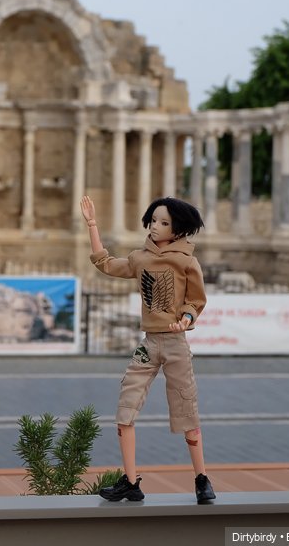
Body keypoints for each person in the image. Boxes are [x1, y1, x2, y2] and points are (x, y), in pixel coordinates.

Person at [80, 194, 215, 505]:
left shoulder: (187, 261)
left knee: (186, 409)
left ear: (178, 229)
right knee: (125, 409)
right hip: (149, 343)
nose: (155, 227)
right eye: (153, 221)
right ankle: (130, 482)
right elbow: (106, 264)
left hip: (176, 344)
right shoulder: (140, 258)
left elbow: (196, 301)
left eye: (164, 223)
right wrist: (92, 225)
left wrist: (186, 318)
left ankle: (201, 478)